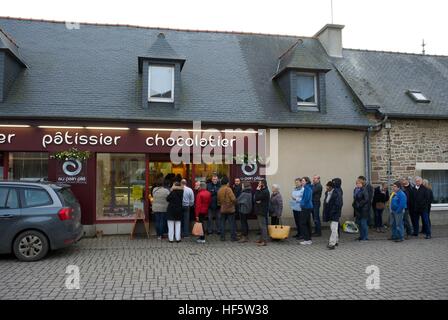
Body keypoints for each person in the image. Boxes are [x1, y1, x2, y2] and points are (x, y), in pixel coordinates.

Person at [323, 180, 343, 249]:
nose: (326, 188)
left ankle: (332, 243)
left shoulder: (337, 193)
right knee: (333, 228)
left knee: (334, 228)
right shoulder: (327, 193)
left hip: (335, 213)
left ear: (331, 187)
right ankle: (336, 241)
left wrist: (333, 211)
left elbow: (339, 204)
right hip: (330, 213)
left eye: (327, 187)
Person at [217, 176, 237, 241]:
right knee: (232, 223)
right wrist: (234, 203)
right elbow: (233, 198)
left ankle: (222, 237)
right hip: (230, 209)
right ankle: (233, 237)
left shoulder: (219, 190)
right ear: (227, 183)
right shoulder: (228, 189)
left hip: (222, 209)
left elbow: (218, 201)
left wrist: (222, 204)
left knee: (222, 223)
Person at [254, 180, 270, 246]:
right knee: (261, 226)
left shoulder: (265, 191)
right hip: (260, 210)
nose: (258, 184)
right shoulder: (263, 190)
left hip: (262, 211)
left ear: (263, 184)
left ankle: (264, 241)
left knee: (263, 226)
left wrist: (257, 190)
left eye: (259, 183)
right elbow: (257, 199)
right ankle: (261, 239)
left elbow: (257, 197)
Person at [299, 177, 313, 245]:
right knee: (307, 223)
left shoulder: (307, 188)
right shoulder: (307, 188)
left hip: (306, 207)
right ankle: (309, 239)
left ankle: (307, 239)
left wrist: (301, 204)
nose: (302, 182)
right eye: (301, 181)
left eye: (303, 181)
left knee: (303, 223)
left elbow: (306, 198)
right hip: (307, 207)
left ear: (307, 181)